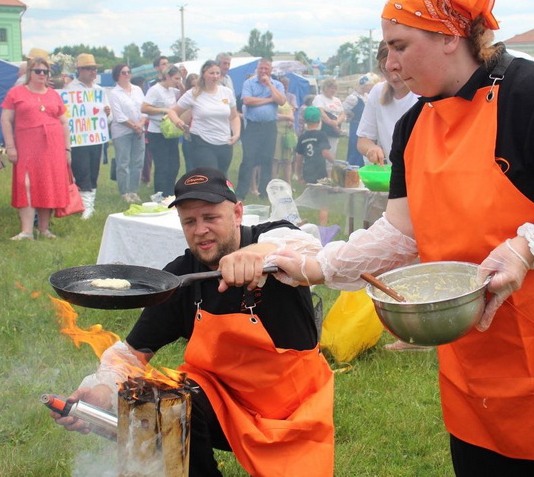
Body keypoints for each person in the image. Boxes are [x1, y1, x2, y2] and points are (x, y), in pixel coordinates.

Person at [271, 0, 534, 476]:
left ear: (450, 35)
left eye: (400, 46)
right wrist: (317, 266)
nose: (389, 64)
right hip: (480, 364)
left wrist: (526, 248)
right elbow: (402, 234)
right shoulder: (413, 126)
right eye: (385, 49)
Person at [52, 167, 334, 476]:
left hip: (292, 410)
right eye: (190, 221)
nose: (200, 230)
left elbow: (311, 247)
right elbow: (130, 353)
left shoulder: (273, 239)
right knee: (157, 399)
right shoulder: (181, 278)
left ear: (237, 213)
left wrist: (260, 253)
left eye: (210, 217)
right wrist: (103, 389)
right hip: (221, 407)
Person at [1, 57, 70, 240]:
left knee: (46, 184)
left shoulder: (54, 94)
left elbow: (64, 123)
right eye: (38, 71)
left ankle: (44, 228)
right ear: (29, 73)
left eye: (45, 72)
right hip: (26, 145)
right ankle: (26, 231)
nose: (41, 75)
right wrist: (10, 146)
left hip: (52, 146)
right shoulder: (16, 93)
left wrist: (67, 149)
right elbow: (6, 120)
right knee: (27, 184)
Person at [357, 42, 420, 165]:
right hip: (395, 172)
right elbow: (363, 140)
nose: (393, 77)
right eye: (385, 70)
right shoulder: (377, 92)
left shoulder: (422, 93)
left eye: (397, 69)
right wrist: (371, 148)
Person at [174, 60, 240, 175]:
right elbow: (173, 111)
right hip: (202, 141)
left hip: (224, 141)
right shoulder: (193, 93)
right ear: (203, 74)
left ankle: (213, 193)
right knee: (210, 175)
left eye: (217, 73)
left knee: (221, 176)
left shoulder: (227, 92)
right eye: (211, 73)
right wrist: (178, 121)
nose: (215, 76)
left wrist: (236, 133)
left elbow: (234, 116)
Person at [235, 59, 286, 200]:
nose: (263, 72)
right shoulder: (249, 83)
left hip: (269, 127)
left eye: (266, 69)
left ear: (271, 70)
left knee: (267, 160)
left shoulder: (277, 85)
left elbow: (281, 101)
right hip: (253, 126)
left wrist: (269, 84)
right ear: (257, 69)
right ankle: (241, 192)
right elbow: (247, 101)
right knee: (248, 159)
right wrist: (269, 100)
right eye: (261, 69)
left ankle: (264, 192)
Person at [66, 54, 110, 219]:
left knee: (93, 170)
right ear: (80, 70)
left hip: (95, 137)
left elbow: (107, 116)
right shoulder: (70, 89)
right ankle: (85, 206)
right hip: (78, 139)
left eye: (94, 68)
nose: (93, 72)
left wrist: (107, 113)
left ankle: (90, 203)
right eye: (89, 68)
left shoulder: (99, 90)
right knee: (82, 169)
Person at [141, 65, 188, 195]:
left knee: (174, 165)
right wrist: (164, 110)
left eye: (179, 79)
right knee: (162, 165)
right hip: (157, 132)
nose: (177, 81)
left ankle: (170, 192)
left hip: (170, 132)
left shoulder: (172, 90)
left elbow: (185, 97)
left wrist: (182, 82)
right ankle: (160, 194)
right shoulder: (155, 90)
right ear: (167, 76)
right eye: (176, 78)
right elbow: (144, 108)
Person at [108, 63, 147, 203]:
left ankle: (133, 191)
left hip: (139, 130)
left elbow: (144, 108)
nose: (127, 75)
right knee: (123, 162)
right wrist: (134, 126)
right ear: (117, 75)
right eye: (123, 72)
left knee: (137, 162)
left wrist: (141, 124)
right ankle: (124, 192)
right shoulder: (114, 93)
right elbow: (119, 116)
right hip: (122, 132)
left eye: (128, 72)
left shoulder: (137, 90)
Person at [342, 74, 375, 167]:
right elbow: (344, 108)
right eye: (369, 85)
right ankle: (352, 168)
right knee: (355, 148)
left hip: (364, 125)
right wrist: (350, 114)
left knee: (362, 150)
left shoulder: (366, 96)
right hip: (356, 126)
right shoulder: (353, 98)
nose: (371, 87)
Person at [295, 107, 334, 184]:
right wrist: (335, 162)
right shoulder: (321, 135)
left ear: (305, 120)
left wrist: (299, 175)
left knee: (310, 190)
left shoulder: (302, 137)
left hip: (307, 170)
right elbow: (325, 152)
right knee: (320, 191)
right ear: (319, 120)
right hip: (319, 170)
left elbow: (299, 158)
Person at [312, 78, 345, 160]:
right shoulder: (319, 98)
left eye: (335, 88)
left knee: (332, 152)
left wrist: (337, 122)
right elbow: (321, 112)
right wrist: (331, 122)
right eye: (331, 88)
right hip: (324, 129)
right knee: (323, 153)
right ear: (325, 88)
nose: (333, 90)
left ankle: (329, 170)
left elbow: (342, 113)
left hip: (335, 130)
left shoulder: (337, 100)